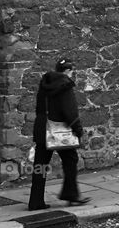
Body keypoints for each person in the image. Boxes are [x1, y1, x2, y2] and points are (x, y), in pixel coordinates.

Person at [27, 58, 90, 210]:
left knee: (40, 165)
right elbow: (69, 111)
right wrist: (78, 130)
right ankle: (71, 194)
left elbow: (40, 108)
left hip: (42, 128)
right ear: (68, 71)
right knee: (71, 160)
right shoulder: (65, 85)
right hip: (60, 131)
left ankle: (35, 201)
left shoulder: (44, 84)